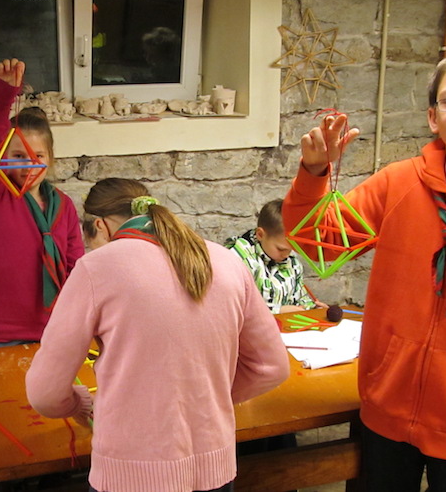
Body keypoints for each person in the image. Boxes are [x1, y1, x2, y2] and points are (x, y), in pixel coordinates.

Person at [283, 50, 446, 492]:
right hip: (386, 412)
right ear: (432, 117)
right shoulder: (397, 183)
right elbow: (319, 246)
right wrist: (314, 172)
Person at [26, 178, 290, 492]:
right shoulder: (226, 260)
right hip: (215, 470)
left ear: (100, 225)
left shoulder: (95, 268)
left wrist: (80, 404)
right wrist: (204, 396)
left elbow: (45, 393)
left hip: (131, 475)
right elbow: (273, 367)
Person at [0, 58, 84, 348]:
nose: (28, 164)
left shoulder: (63, 206)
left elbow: (76, 267)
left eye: (37, 156)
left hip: (58, 329)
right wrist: (4, 94)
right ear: (2, 160)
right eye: (18, 155)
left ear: (50, 159)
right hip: (5, 332)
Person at [225, 198, 328, 314]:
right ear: (260, 234)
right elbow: (233, 308)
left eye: (292, 249)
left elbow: (300, 298)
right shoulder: (239, 260)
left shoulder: (291, 261)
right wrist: (278, 311)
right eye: (281, 249)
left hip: (288, 328)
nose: (287, 254)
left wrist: (313, 308)